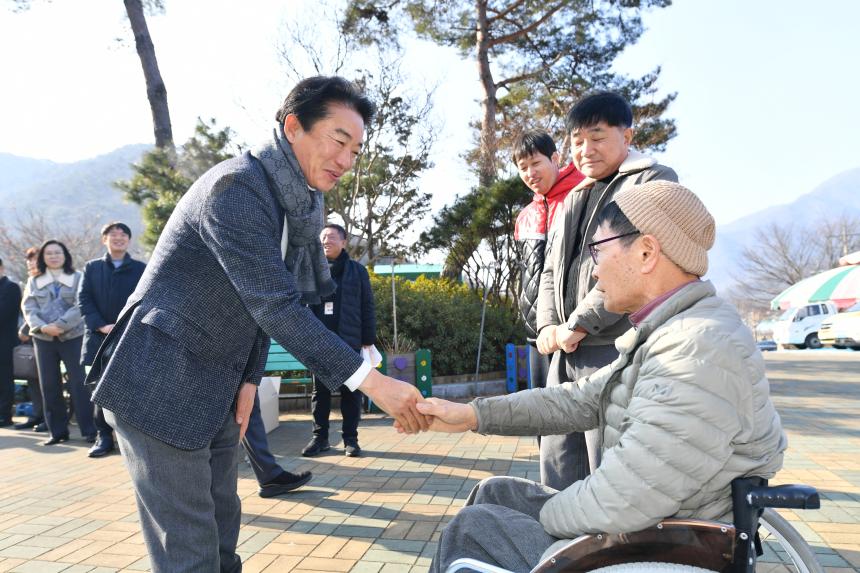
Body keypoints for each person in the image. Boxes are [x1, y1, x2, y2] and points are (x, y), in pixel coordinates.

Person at [87, 75, 429, 573]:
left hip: (215, 382)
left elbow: (258, 307)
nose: (346, 160)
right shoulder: (237, 188)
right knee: (191, 552)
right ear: (293, 127)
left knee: (223, 537)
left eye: (356, 150)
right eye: (338, 140)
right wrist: (373, 382)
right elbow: (275, 306)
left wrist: (249, 381)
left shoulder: (297, 205)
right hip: (159, 378)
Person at [417, 181, 787, 573]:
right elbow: (581, 398)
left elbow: (629, 496)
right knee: (495, 493)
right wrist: (474, 415)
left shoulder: (696, 346)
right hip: (654, 525)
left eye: (598, 250)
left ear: (646, 251)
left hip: (664, 548)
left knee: (474, 528)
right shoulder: (672, 332)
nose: (594, 271)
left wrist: (544, 518)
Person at [534, 91, 678, 490]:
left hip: (617, 348)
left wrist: (579, 323)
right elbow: (550, 270)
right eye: (577, 140)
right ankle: (562, 551)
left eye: (597, 137)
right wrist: (548, 324)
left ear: (627, 135)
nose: (585, 149)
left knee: (609, 471)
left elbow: (630, 263)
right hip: (565, 350)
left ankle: (614, 554)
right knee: (558, 466)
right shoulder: (573, 197)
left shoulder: (653, 180)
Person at [512, 130, 584, 396]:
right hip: (536, 336)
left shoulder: (580, 198)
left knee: (575, 416)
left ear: (555, 158)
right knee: (542, 416)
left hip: (573, 332)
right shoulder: (525, 216)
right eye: (523, 167)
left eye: (535, 163)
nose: (530, 173)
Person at [302, 223, 376, 458]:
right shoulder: (312, 271)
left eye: (332, 237)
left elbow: (367, 306)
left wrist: (367, 339)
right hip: (320, 341)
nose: (327, 241)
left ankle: (350, 440)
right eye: (323, 237)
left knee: (351, 392)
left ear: (344, 242)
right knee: (320, 393)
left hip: (349, 341)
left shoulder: (357, 272)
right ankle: (319, 438)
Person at [77, 222, 146, 457]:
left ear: (129, 240)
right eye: (112, 234)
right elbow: (84, 300)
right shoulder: (92, 268)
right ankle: (103, 437)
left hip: (129, 337)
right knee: (99, 390)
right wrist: (101, 325)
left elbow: (145, 300)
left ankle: (132, 439)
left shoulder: (140, 268)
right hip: (98, 338)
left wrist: (124, 325)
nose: (118, 238)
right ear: (103, 240)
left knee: (131, 389)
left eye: (123, 234)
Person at [22, 240, 96, 445]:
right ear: (42, 258)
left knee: (79, 383)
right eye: (49, 254)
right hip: (43, 339)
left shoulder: (77, 277)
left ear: (65, 255)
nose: (53, 256)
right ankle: (57, 432)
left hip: (72, 337)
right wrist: (43, 327)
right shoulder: (34, 281)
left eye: (57, 252)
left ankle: (89, 430)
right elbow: (28, 308)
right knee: (49, 384)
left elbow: (80, 304)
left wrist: (61, 325)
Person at [14, 247, 46, 431]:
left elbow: (41, 309)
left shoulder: (48, 280)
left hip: (46, 336)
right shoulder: (31, 281)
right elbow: (27, 309)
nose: (31, 264)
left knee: (46, 381)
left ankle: (49, 418)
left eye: (34, 260)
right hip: (33, 336)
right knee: (33, 379)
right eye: (29, 261)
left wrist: (25, 328)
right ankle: (37, 414)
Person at [0, 257, 22, 427]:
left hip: (5, 343)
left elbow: (4, 314)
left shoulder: (11, 288)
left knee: (5, 380)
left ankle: (4, 415)